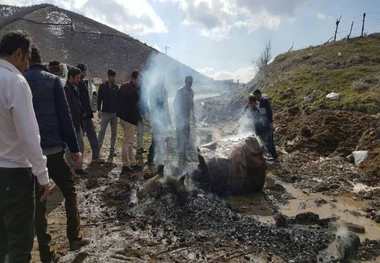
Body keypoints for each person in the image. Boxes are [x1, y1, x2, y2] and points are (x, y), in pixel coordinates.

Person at [25, 47, 89, 261]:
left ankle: (46, 252)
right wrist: (75, 148)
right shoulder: (52, 81)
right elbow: (65, 117)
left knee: (38, 203)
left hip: (29, 155)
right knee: (69, 192)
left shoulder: (19, 80)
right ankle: (74, 237)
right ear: (40, 61)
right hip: (53, 151)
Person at [0, 32, 51, 263]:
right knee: (19, 243)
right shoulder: (15, 82)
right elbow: (30, 136)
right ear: (18, 53)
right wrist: (43, 177)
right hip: (14, 174)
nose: (27, 64)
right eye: (27, 58)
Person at [117, 70, 145, 174]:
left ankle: (132, 162)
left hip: (123, 118)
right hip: (130, 119)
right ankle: (125, 164)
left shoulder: (123, 87)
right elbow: (138, 105)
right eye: (139, 79)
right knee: (128, 142)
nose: (140, 81)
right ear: (134, 79)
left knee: (129, 141)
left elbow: (118, 100)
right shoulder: (135, 90)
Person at [65, 67, 87, 175]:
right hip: (70, 124)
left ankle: (78, 168)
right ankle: (70, 170)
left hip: (78, 123)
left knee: (80, 146)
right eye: (77, 78)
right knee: (70, 149)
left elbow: (77, 105)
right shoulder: (65, 90)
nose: (79, 80)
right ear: (71, 77)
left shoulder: (74, 88)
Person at [147, 80, 171, 175]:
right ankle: (151, 159)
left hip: (163, 120)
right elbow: (152, 106)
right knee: (155, 140)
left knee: (162, 140)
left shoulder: (164, 91)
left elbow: (166, 106)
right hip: (156, 119)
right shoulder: (153, 91)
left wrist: (168, 119)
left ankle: (160, 161)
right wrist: (153, 119)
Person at [77, 63, 99, 162]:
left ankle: (80, 159)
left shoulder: (77, 82)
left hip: (81, 115)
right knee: (91, 136)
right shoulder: (80, 83)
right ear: (82, 71)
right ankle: (95, 157)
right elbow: (84, 101)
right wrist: (87, 113)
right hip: (84, 115)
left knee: (82, 137)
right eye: (85, 71)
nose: (85, 73)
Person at [97, 69, 119, 161]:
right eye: (111, 76)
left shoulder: (116, 87)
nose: (113, 78)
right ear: (108, 76)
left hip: (114, 113)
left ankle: (112, 150)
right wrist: (99, 110)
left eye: (114, 76)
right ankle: (97, 150)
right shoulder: (102, 86)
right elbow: (99, 98)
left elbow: (119, 100)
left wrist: (119, 112)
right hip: (105, 112)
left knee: (114, 133)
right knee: (102, 132)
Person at [174, 76, 195, 167]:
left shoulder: (191, 92)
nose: (190, 84)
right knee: (180, 137)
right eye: (188, 82)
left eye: (191, 82)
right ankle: (179, 157)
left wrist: (193, 115)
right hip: (180, 118)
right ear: (185, 82)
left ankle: (185, 155)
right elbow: (175, 103)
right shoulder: (180, 91)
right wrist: (178, 115)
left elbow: (192, 104)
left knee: (186, 136)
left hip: (187, 118)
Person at [253, 89, 277, 160]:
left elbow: (269, 112)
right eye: (255, 96)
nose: (256, 98)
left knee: (270, 141)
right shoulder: (259, 102)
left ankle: (274, 156)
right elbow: (260, 114)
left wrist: (271, 123)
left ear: (259, 94)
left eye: (256, 96)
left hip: (267, 124)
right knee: (267, 141)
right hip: (264, 125)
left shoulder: (265, 101)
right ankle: (271, 155)